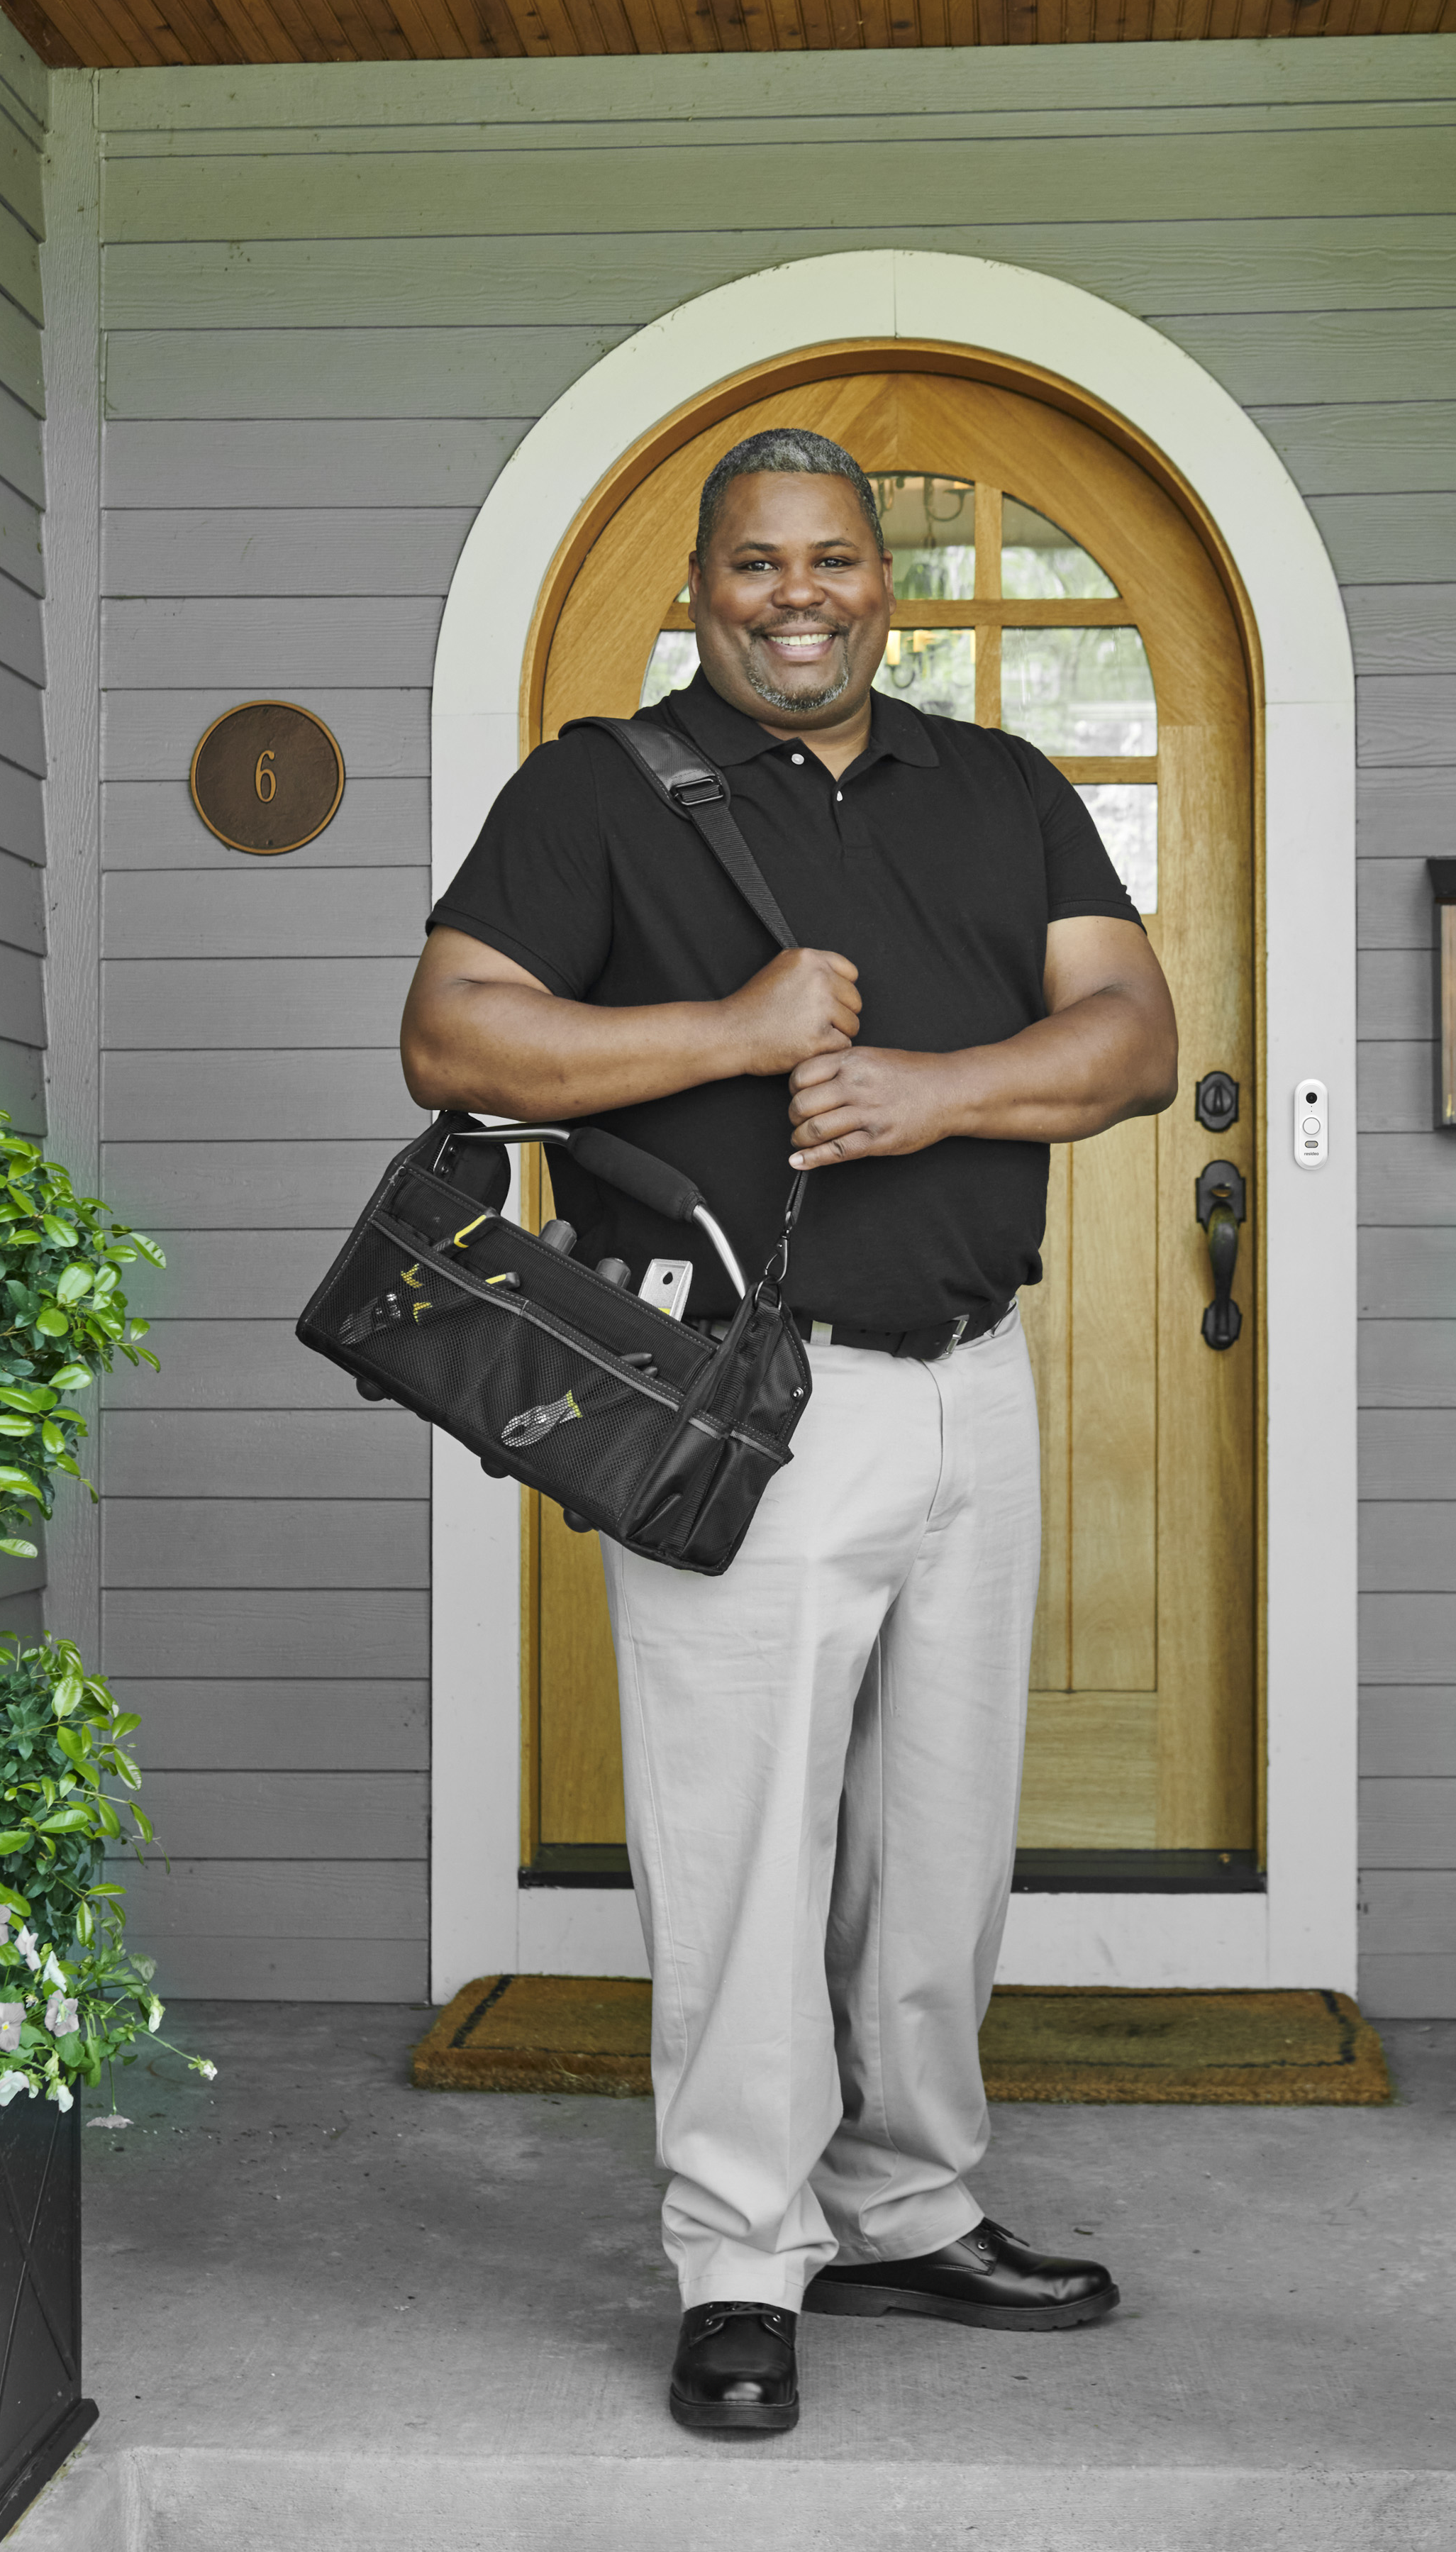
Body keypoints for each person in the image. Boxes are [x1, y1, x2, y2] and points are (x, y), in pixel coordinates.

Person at [400, 427, 1179, 2436]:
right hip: (735, 1399)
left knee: (937, 1849)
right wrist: (731, 1034)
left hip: (973, 1384)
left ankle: (906, 2201)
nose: (798, 597)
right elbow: (454, 1032)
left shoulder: (1002, 786)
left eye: (833, 559)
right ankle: (743, 2254)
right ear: (702, 588)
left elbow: (1132, 1037)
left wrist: (936, 1092)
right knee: (747, 1852)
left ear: (883, 586)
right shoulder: (595, 789)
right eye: (756, 564)